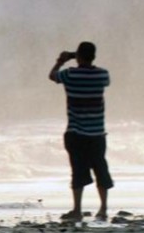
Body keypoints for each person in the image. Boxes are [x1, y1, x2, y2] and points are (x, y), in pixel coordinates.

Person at [48, 41, 113, 221]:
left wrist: (61, 61)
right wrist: (76, 56)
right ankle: (103, 209)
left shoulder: (70, 74)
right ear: (94, 56)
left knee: (78, 171)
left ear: (78, 56)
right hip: (97, 133)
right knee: (101, 169)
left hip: (75, 132)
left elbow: (52, 76)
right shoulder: (102, 75)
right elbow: (106, 81)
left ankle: (77, 210)